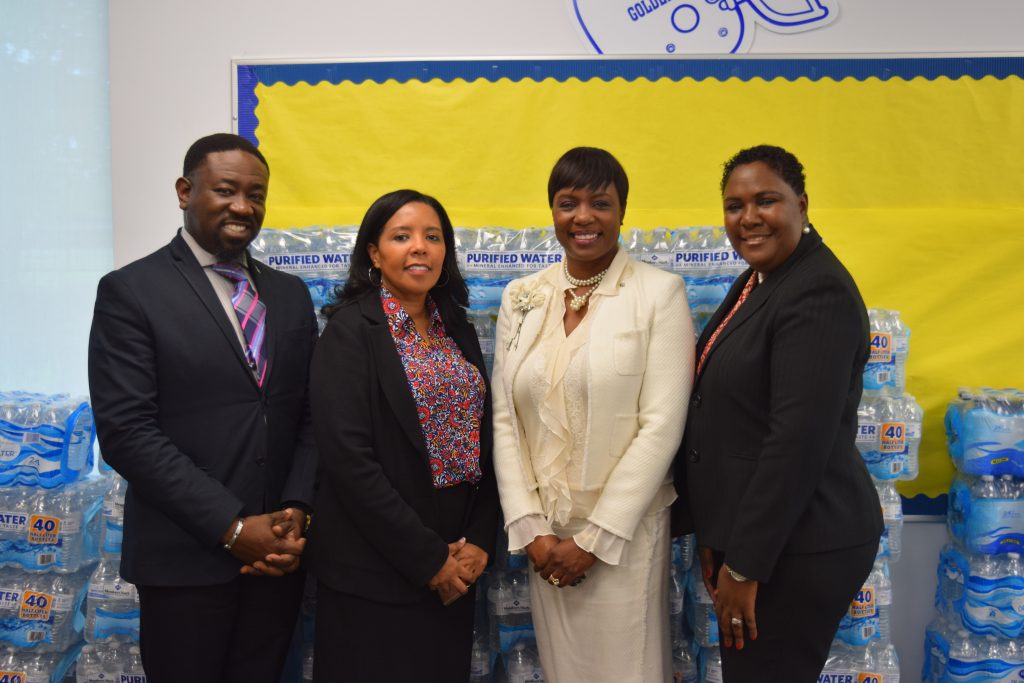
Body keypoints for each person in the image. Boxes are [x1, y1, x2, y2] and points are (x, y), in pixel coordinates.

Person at [87, 133, 316, 683]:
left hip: (276, 561)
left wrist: (295, 507)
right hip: (185, 561)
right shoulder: (131, 291)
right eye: (226, 190)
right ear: (186, 191)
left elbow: (308, 414)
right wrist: (234, 528)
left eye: (256, 195)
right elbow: (128, 433)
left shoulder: (289, 295)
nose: (243, 207)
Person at [672, 144, 884, 681]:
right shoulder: (763, 278)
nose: (748, 218)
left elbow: (795, 443)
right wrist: (716, 535)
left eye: (765, 200)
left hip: (800, 546)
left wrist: (744, 564)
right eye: (734, 205)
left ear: (802, 204)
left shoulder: (817, 293)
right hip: (762, 538)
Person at [491, 147, 694, 681]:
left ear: (622, 211)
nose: (583, 217)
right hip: (546, 539)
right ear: (552, 211)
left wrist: (593, 539)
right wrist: (532, 529)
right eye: (568, 203)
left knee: (627, 669)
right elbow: (506, 417)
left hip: (621, 535)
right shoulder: (524, 296)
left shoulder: (658, 293)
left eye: (599, 203)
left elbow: (662, 426)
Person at [306, 189, 499, 682]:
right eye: (402, 236)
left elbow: (486, 440)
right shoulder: (350, 331)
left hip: (457, 567)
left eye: (432, 237)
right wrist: (429, 558)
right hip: (377, 571)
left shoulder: (457, 327)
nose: (420, 248)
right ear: (374, 253)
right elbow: (349, 462)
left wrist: (478, 540)